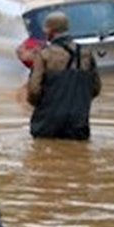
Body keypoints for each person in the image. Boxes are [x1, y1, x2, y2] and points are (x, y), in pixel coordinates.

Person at [25, 11, 101, 140]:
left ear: (50, 32)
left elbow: (34, 90)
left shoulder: (44, 55)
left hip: (47, 123)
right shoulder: (86, 53)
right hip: (78, 123)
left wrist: (45, 104)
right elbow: (95, 88)